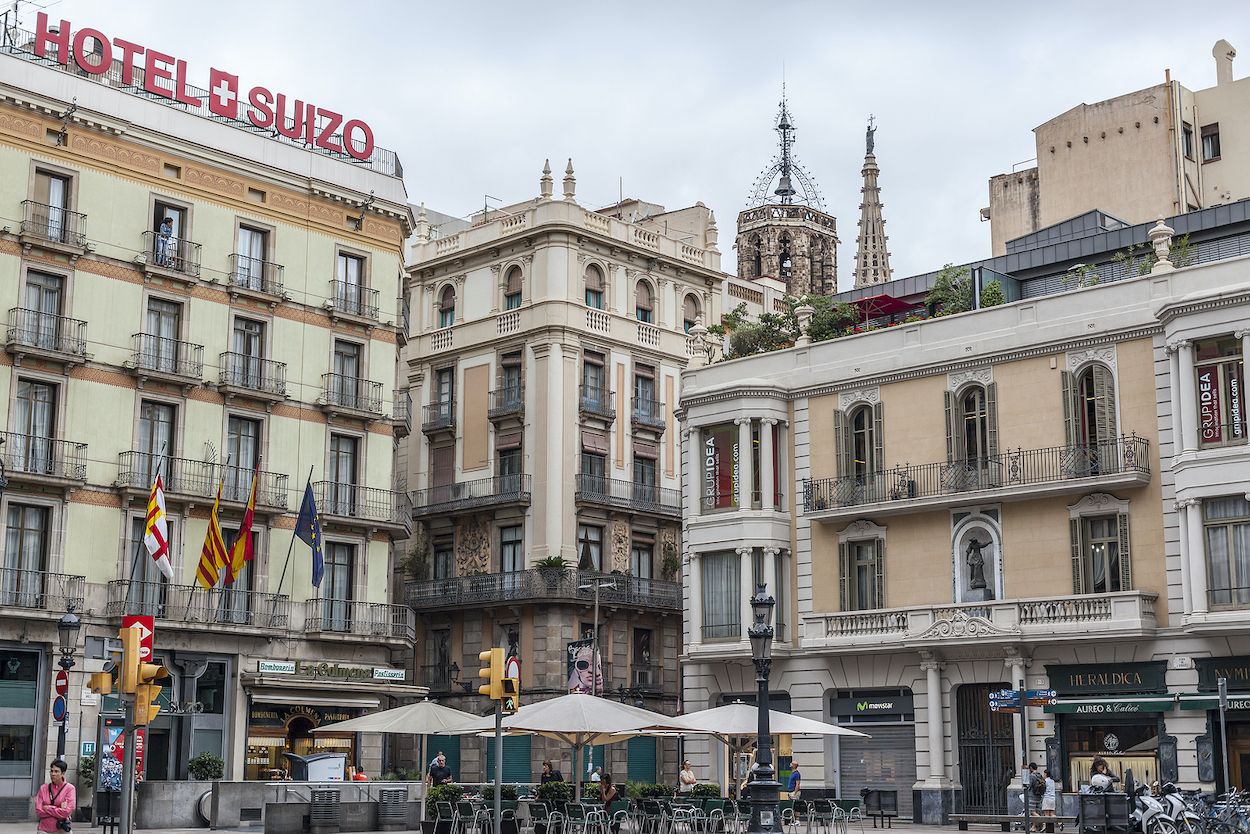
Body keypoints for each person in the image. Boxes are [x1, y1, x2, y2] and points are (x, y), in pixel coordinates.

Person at [35, 759, 76, 833]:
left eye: (56, 771)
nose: (53, 774)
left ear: (63, 773)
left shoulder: (69, 788)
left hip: (62, 829)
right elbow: (39, 811)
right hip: (44, 830)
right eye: (51, 771)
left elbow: (67, 812)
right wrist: (59, 808)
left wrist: (48, 808)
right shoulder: (43, 788)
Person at [1026, 762, 1044, 831]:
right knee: (1036, 811)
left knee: (1032, 812)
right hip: (1039, 797)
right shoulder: (1040, 775)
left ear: (1031, 768)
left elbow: (1029, 786)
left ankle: (1044, 823)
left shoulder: (1031, 776)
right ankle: (1034, 827)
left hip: (1032, 796)